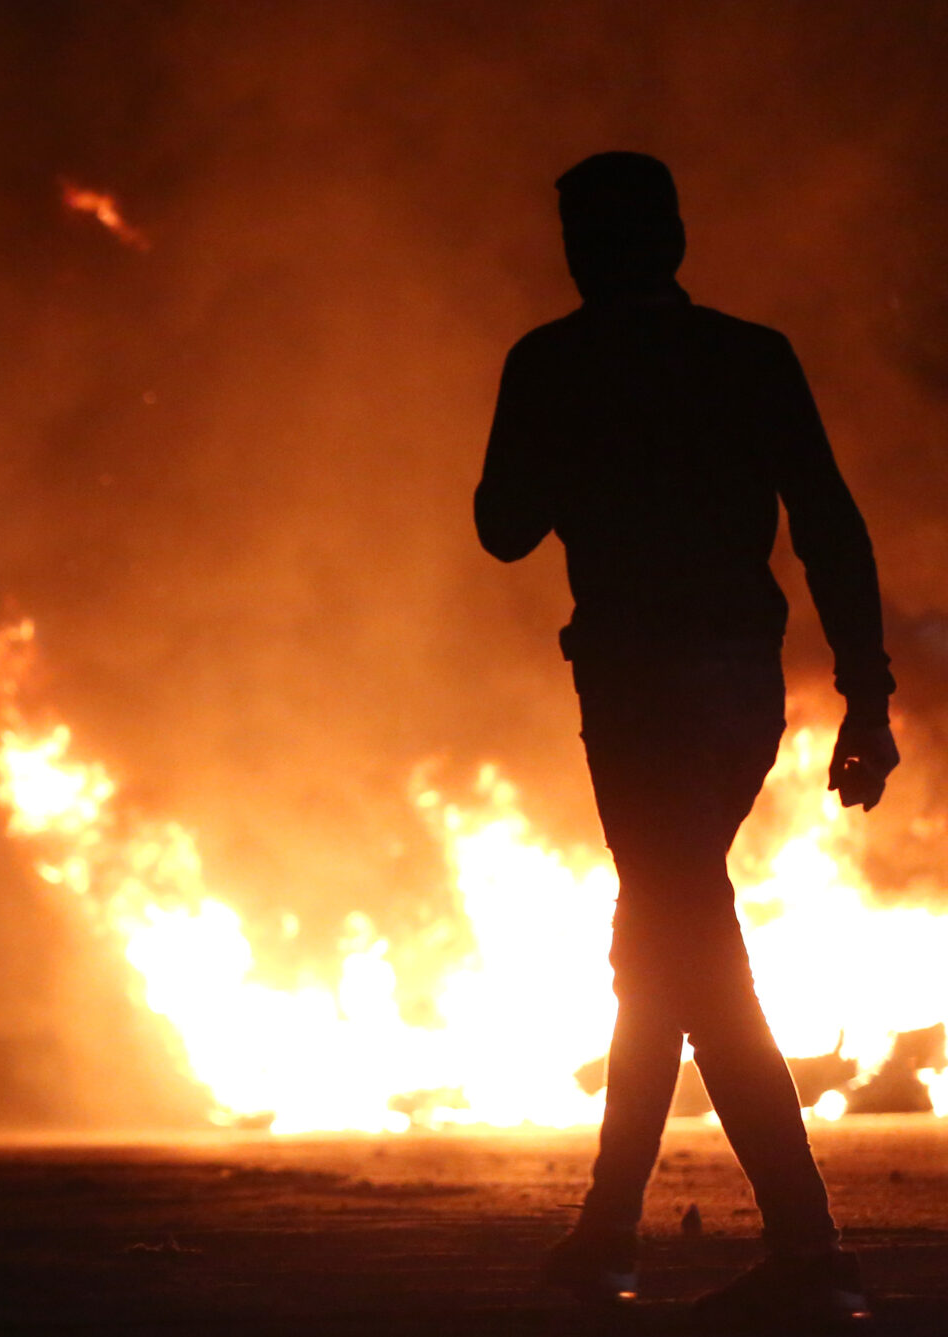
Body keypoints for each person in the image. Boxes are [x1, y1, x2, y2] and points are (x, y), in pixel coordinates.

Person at [475, 153, 898, 1324]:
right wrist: (864, 698)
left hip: (629, 690)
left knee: (677, 935)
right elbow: (828, 526)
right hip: (731, 689)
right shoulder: (745, 356)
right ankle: (608, 1231)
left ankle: (804, 1247)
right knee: (659, 931)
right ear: (673, 237)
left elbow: (500, 527)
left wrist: (578, 440)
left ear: (579, 248)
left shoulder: (551, 363)